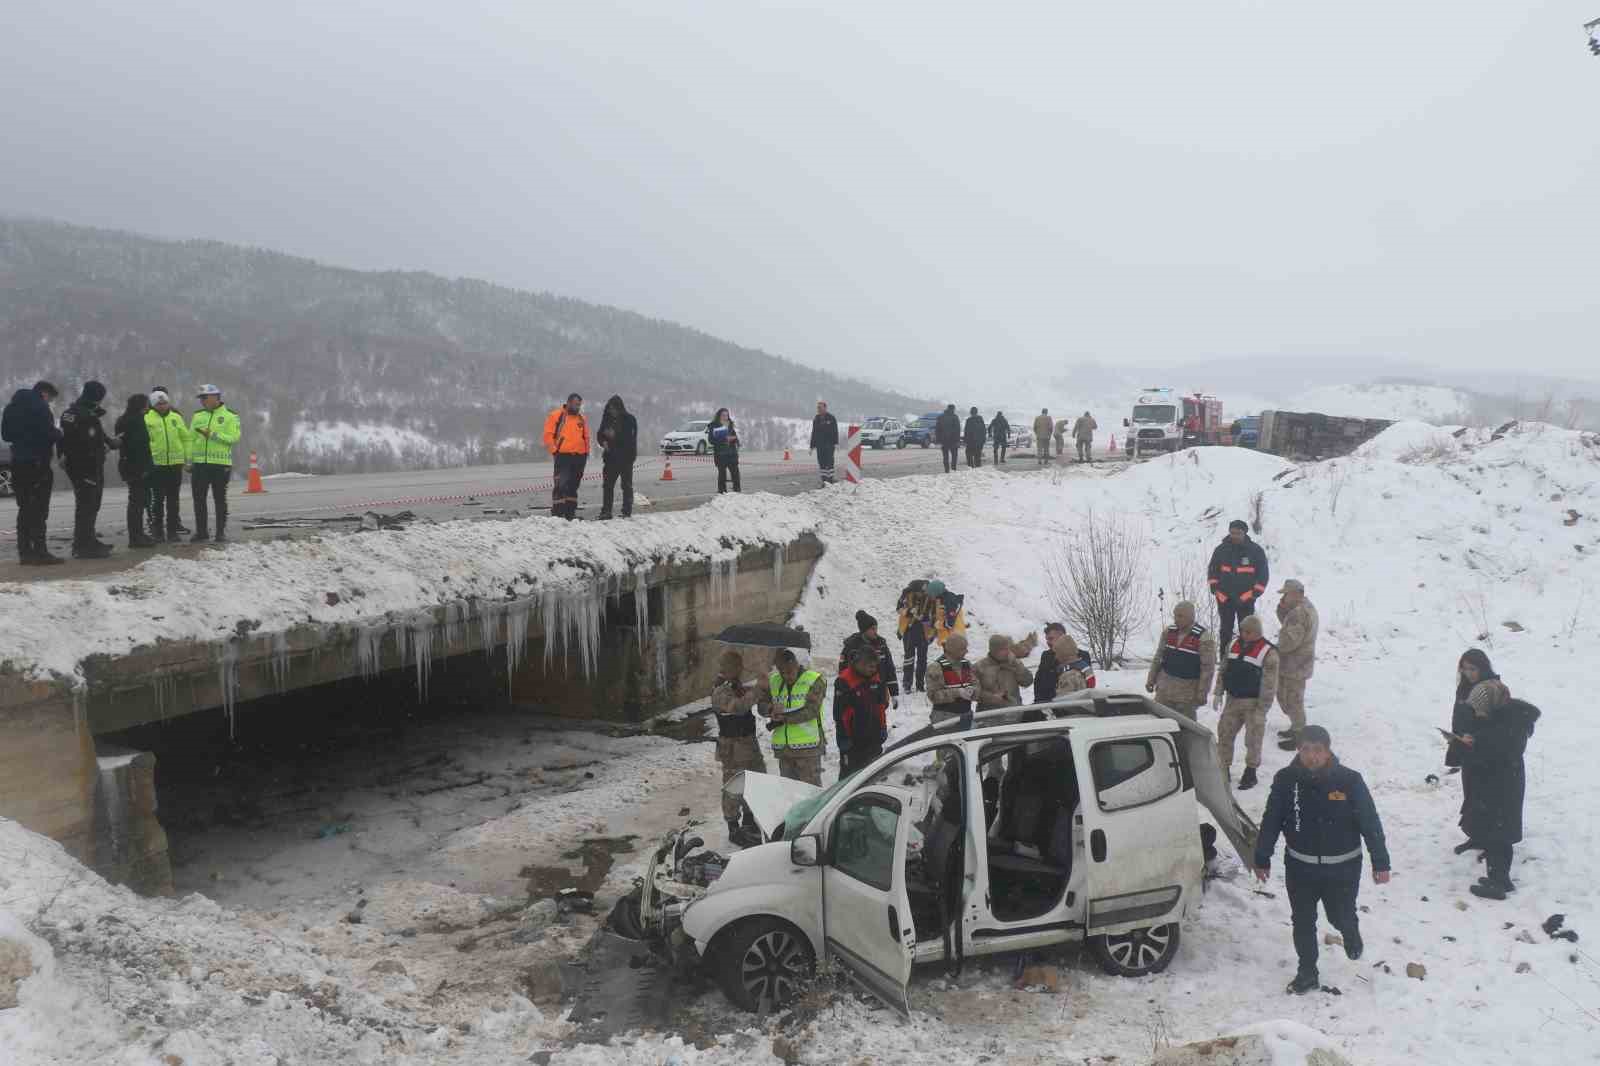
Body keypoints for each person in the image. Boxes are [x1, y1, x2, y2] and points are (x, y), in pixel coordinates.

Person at [1253, 725, 1391, 995]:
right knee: (1302, 920)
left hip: (1343, 867)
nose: (1312, 756)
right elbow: (1271, 819)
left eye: (1317, 750)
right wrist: (1262, 857)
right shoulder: (1286, 780)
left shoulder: (1349, 780)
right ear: (1298, 750)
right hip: (1300, 866)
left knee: (1340, 915)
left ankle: (1349, 929)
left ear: (1328, 751)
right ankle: (1307, 972)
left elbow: (1369, 822)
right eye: (1306, 750)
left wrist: (1381, 862)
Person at [1452, 651, 1537, 900]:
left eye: (1479, 711)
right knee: (1491, 825)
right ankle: (1497, 873)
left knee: (1499, 832)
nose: (1477, 715)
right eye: (1464, 669)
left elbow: (1499, 750)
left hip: (1501, 783)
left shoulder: (1508, 726)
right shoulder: (1498, 719)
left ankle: (1499, 882)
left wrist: (1475, 742)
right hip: (1493, 779)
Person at [1213, 615, 1279, 789]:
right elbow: (1223, 669)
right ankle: (1223, 768)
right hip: (1233, 700)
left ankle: (1251, 772)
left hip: (1254, 703)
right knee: (1224, 734)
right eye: (1242, 631)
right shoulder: (1232, 645)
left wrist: (1262, 709)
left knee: (1253, 739)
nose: (1244, 635)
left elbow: (1269, 684)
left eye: (1248, 632)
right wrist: (1218, 692)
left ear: (1257, 632)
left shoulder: (1269, 652)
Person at [2, 380, 64, 564]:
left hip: (18, 463)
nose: (49, 402)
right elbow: (48, 434)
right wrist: (59, 433)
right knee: (39, 509)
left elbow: (6, 435)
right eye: (50, 399)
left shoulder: (11, 408)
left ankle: (25, 553)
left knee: (24, 508)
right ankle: (40, 552)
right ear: (45, 393)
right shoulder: (41, 408)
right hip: (38, 464)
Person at [55, 380, 117, 558]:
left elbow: (63, 439)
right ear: (97, 398)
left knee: (87, 505)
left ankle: (87, 540)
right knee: (88, 506)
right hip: (87, 467)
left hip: (77, 466)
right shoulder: (86, 416)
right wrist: (105, 448)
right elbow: (88, 443)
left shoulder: (70, 413)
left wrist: (62, 456)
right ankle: (84, 546)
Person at [710, 651, 768, 841]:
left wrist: (763, 690)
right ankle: (733, 827)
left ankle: (749, 821)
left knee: (755, 781)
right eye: (738, 666)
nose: (741, 669)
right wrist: (758, 690)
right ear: (729, 667)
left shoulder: (736, 685)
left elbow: (748, 700)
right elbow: (737, 707)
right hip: (733, 747)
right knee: (733, 786)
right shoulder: (720, 689)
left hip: (748, 743)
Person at [758, 649, 827, 785]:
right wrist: (770, 710)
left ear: (796, 665)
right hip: (784, 751)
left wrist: (784, 718)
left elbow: (812, 711)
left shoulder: (814, 680)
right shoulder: (774, 680)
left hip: (808, 750)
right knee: (788, 791)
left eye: (789, 671)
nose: (785, 676)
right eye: (781, 672)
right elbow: (761, 705)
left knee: (810, 792)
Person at [1144, 601, 1217, 719]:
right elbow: (1158, 657)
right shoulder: (1169, 632)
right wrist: (1151, 679)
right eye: (1175, 615)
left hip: (1187, 694)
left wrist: (1202, 693)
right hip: (1164, 690)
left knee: (1185, 726)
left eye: (1180, 616)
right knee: (1158, 722)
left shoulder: (1203, 638)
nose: (1176, 619)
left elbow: (1208, 669)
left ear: (1190, 617)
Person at [1208, 519, 1270, 654]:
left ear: (1245, 533)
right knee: (1225, 631)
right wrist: (1216, 590)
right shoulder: (1221, 550)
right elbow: (1212, 571)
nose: (1235, 536)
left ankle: (1245, 658)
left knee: (1247, 632)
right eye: (1232, 533)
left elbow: (1263, 576)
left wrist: (1251, 595)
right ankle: (1224, 659)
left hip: (1245, 601)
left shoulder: (1255, 551)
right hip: (1225, 600)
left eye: (1238, 533)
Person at [188, 385, 240, 543]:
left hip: (220, 464)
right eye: (200, 398)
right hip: (200, 465)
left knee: (220, 499)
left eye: (205, 397)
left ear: (215, 397)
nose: (202, 401)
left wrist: (212, 435)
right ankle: (201, 532)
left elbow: (233, 438)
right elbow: (191, 439)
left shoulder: (230, 416)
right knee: (199, 499)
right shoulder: (198, 416)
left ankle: (220, 533)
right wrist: (189, 460)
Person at [1274, 579, 1320, 749]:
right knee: (1292, 699)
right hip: (1301, 662)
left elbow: (1290, 641)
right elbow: (1289, 626)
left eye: (1286, 594)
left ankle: (1299, 735)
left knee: (1292, 700)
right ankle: (1296, 728)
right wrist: (1283, 609)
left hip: (1293, 664)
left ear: (1295, 594)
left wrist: (1275, 649)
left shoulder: (1298, 613)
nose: (1283, 598)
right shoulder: (1307, 607)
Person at [834, 646, 891, 776]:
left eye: (875, 666)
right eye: (870, 666)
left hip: (873, 737)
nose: (873, 669)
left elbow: (881, 707)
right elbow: (839, 713)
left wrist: (883, 727)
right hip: (852, 740)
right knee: (849, 775)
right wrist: (843, 737)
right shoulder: (844, 681)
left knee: (873, 774)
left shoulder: (877, 678)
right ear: (860, 664)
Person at [144, 390, 189, 543]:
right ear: (153, 405)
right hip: (157, 465)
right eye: (159, 404)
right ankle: (157, 531)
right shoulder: (147, 419)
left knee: (173, 500)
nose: (162, 406)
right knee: (157, 500)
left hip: (175, 465)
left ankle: (172, 531)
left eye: (165, 403)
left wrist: (186, 457)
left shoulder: (176, 417)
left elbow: (186, 438)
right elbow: (145, 442)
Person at [113, 394, 157, 549]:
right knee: (137, 502)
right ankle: (136, 537)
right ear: (141, 406)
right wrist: (145, 468)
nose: (148, 407)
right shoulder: (136, 421)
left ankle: (138, 534)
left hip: (128, 464)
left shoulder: (123, 420)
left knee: (137, 501)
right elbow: (139, 447)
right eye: (146, 404)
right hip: (137, 467)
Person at [543, 393, 589, 520]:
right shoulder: (556, 415)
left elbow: (586, 437)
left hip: (579, 456)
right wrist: (555, 451)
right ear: (568, 403)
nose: (577, 407)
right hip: (563, 456)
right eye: (575, 404)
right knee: (561, 484)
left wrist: (586, 453)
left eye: (579, 405)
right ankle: (558, 513)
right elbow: (547, 435)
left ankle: (570, 512)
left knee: (573, 486)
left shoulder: (581, 418)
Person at [839, 611, 899, 707]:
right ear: (864, 630)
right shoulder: (851, 646)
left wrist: (894, 693)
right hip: (859, 694)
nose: (876, 632)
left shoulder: (881, 645)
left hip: (879, 694)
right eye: (872, 629)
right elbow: (843, 670)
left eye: (876, 628)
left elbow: (889, 668)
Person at [596, 395, 637, 520]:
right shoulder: (607, 419)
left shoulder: (629, 419)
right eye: (610, 409)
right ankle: (606, 511)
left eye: (614, 409)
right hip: (610, 459)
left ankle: (627, 511)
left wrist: (614, 436)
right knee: (607, 486)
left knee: (626, 486)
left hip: (626, 458)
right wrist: (603, 442)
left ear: (620, 408)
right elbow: (600, 434)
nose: (612, 411)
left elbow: (630, 439)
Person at [926, 633, 977, 726]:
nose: (967, 651)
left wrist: (973, 691)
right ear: (953, 650)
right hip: (944, 718)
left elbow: (976, 684)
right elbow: (933, 696)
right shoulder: (936, 668)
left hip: (966, 715)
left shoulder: (967, 665)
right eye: (963, 649)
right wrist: (957, 693)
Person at [975, 634, 1035, 710]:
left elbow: (1028, 682)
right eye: (1004, 649)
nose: (1008, 652)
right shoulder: (980, 667)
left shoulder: (1014, 663)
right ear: (994, 650)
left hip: (1014, 711)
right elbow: (973, 692)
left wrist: (1017, 666)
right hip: (989, 713)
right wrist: (990, 697)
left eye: (1008, 649)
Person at [896, 581, 935, 693]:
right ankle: (907, 684)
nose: (921, 594)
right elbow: (898, 608)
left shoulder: (929, 597)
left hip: (923, 630)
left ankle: (920, 685)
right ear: (915, 591)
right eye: (920, 592)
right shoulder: (906, 595)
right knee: (909, 658)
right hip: (909, 629)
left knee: (922, 659)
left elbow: (933, 614)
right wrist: (908, 611)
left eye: (924, 592)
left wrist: (932, 631)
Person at [1036, 629, 1090, 702]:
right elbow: (1038, 682)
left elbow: (1063, 701)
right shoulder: (1083, 666)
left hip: (1070, 705)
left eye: (1051, 638)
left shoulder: (1069, 675)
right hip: (1083, 703)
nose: (1056, 657)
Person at [707, 407, 741, 493]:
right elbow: (711, 440)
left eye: (726, 415)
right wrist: (723, 439)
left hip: (732, 453)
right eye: (723, 415)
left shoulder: (731, 425)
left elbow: (736, 437)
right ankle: (722, 492)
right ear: (719, 416)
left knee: (735, 473)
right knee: (722, 474)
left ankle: (737, 491)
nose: (725, 417)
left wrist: (734, 439)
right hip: (720, 453)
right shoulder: (714, 425)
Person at [809, 400, 839, 486]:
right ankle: (824, 480)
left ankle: (830, 479)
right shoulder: (816, 419)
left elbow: (835, 431)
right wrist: (812, 446)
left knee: (829, 462)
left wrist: (836, 443)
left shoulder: (831, 418)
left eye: (820, 407)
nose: (818, 409)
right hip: (820, 445)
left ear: (825, 408)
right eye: (818, 408)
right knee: (821, 462)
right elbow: (814, 432)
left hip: (829, 444)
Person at [934, 404, 962, 473]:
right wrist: (958, 440)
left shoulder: (941, 417)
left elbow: (937, 429)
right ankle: (953, 469)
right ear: (953, 409)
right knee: (954, 456)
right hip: (953, 440)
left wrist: (938, 440)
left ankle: (946, 470)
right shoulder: (955, 417)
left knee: (945, 456)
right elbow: (958, 429)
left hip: (944, 440)